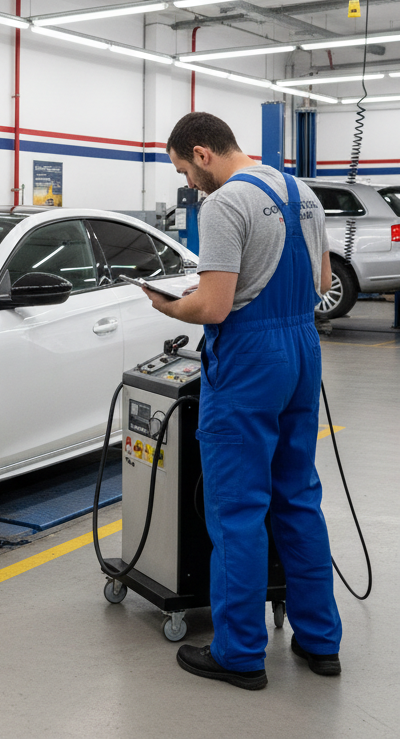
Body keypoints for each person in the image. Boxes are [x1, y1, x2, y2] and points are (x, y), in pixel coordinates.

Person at [144, 111, 342, 691]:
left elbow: (214, 307)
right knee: (299, 498)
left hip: (251, 361)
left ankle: (239, 653)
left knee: (237, 509)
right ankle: (320, 641)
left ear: (203, 153)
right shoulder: (301, 192)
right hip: (302, 351)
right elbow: (323, 282)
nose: (189, 184)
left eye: (186, 170)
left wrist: (166, 305)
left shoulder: (224, 204)